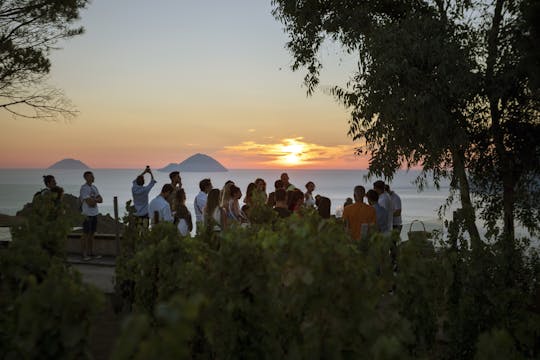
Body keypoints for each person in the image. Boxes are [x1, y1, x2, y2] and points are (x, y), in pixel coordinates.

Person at [80, 171, 103, 261]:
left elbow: (101, 199)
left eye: (93, 175)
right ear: (86, 178)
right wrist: (95, 200)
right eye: (91, 176)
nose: (93, 177)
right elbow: (90, 203)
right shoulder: (84, 188)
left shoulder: (94, 187)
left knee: (92, 234)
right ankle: (84, 253)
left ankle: (91, 252)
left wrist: (94, 200)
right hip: (87, 214)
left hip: (94, 214)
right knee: (85, 234)